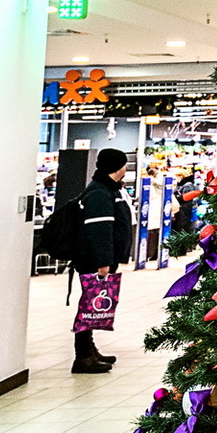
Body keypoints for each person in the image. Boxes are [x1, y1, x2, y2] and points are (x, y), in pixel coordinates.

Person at [73, 146, 133, 373]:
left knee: (91, 305)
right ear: (117, 166)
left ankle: (89, 350)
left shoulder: (107, 189)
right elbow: (100, 230)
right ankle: (83, 357)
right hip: (93, 260)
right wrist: (103, 262)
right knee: (89, 306)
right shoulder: (99, 192)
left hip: (97, 259)